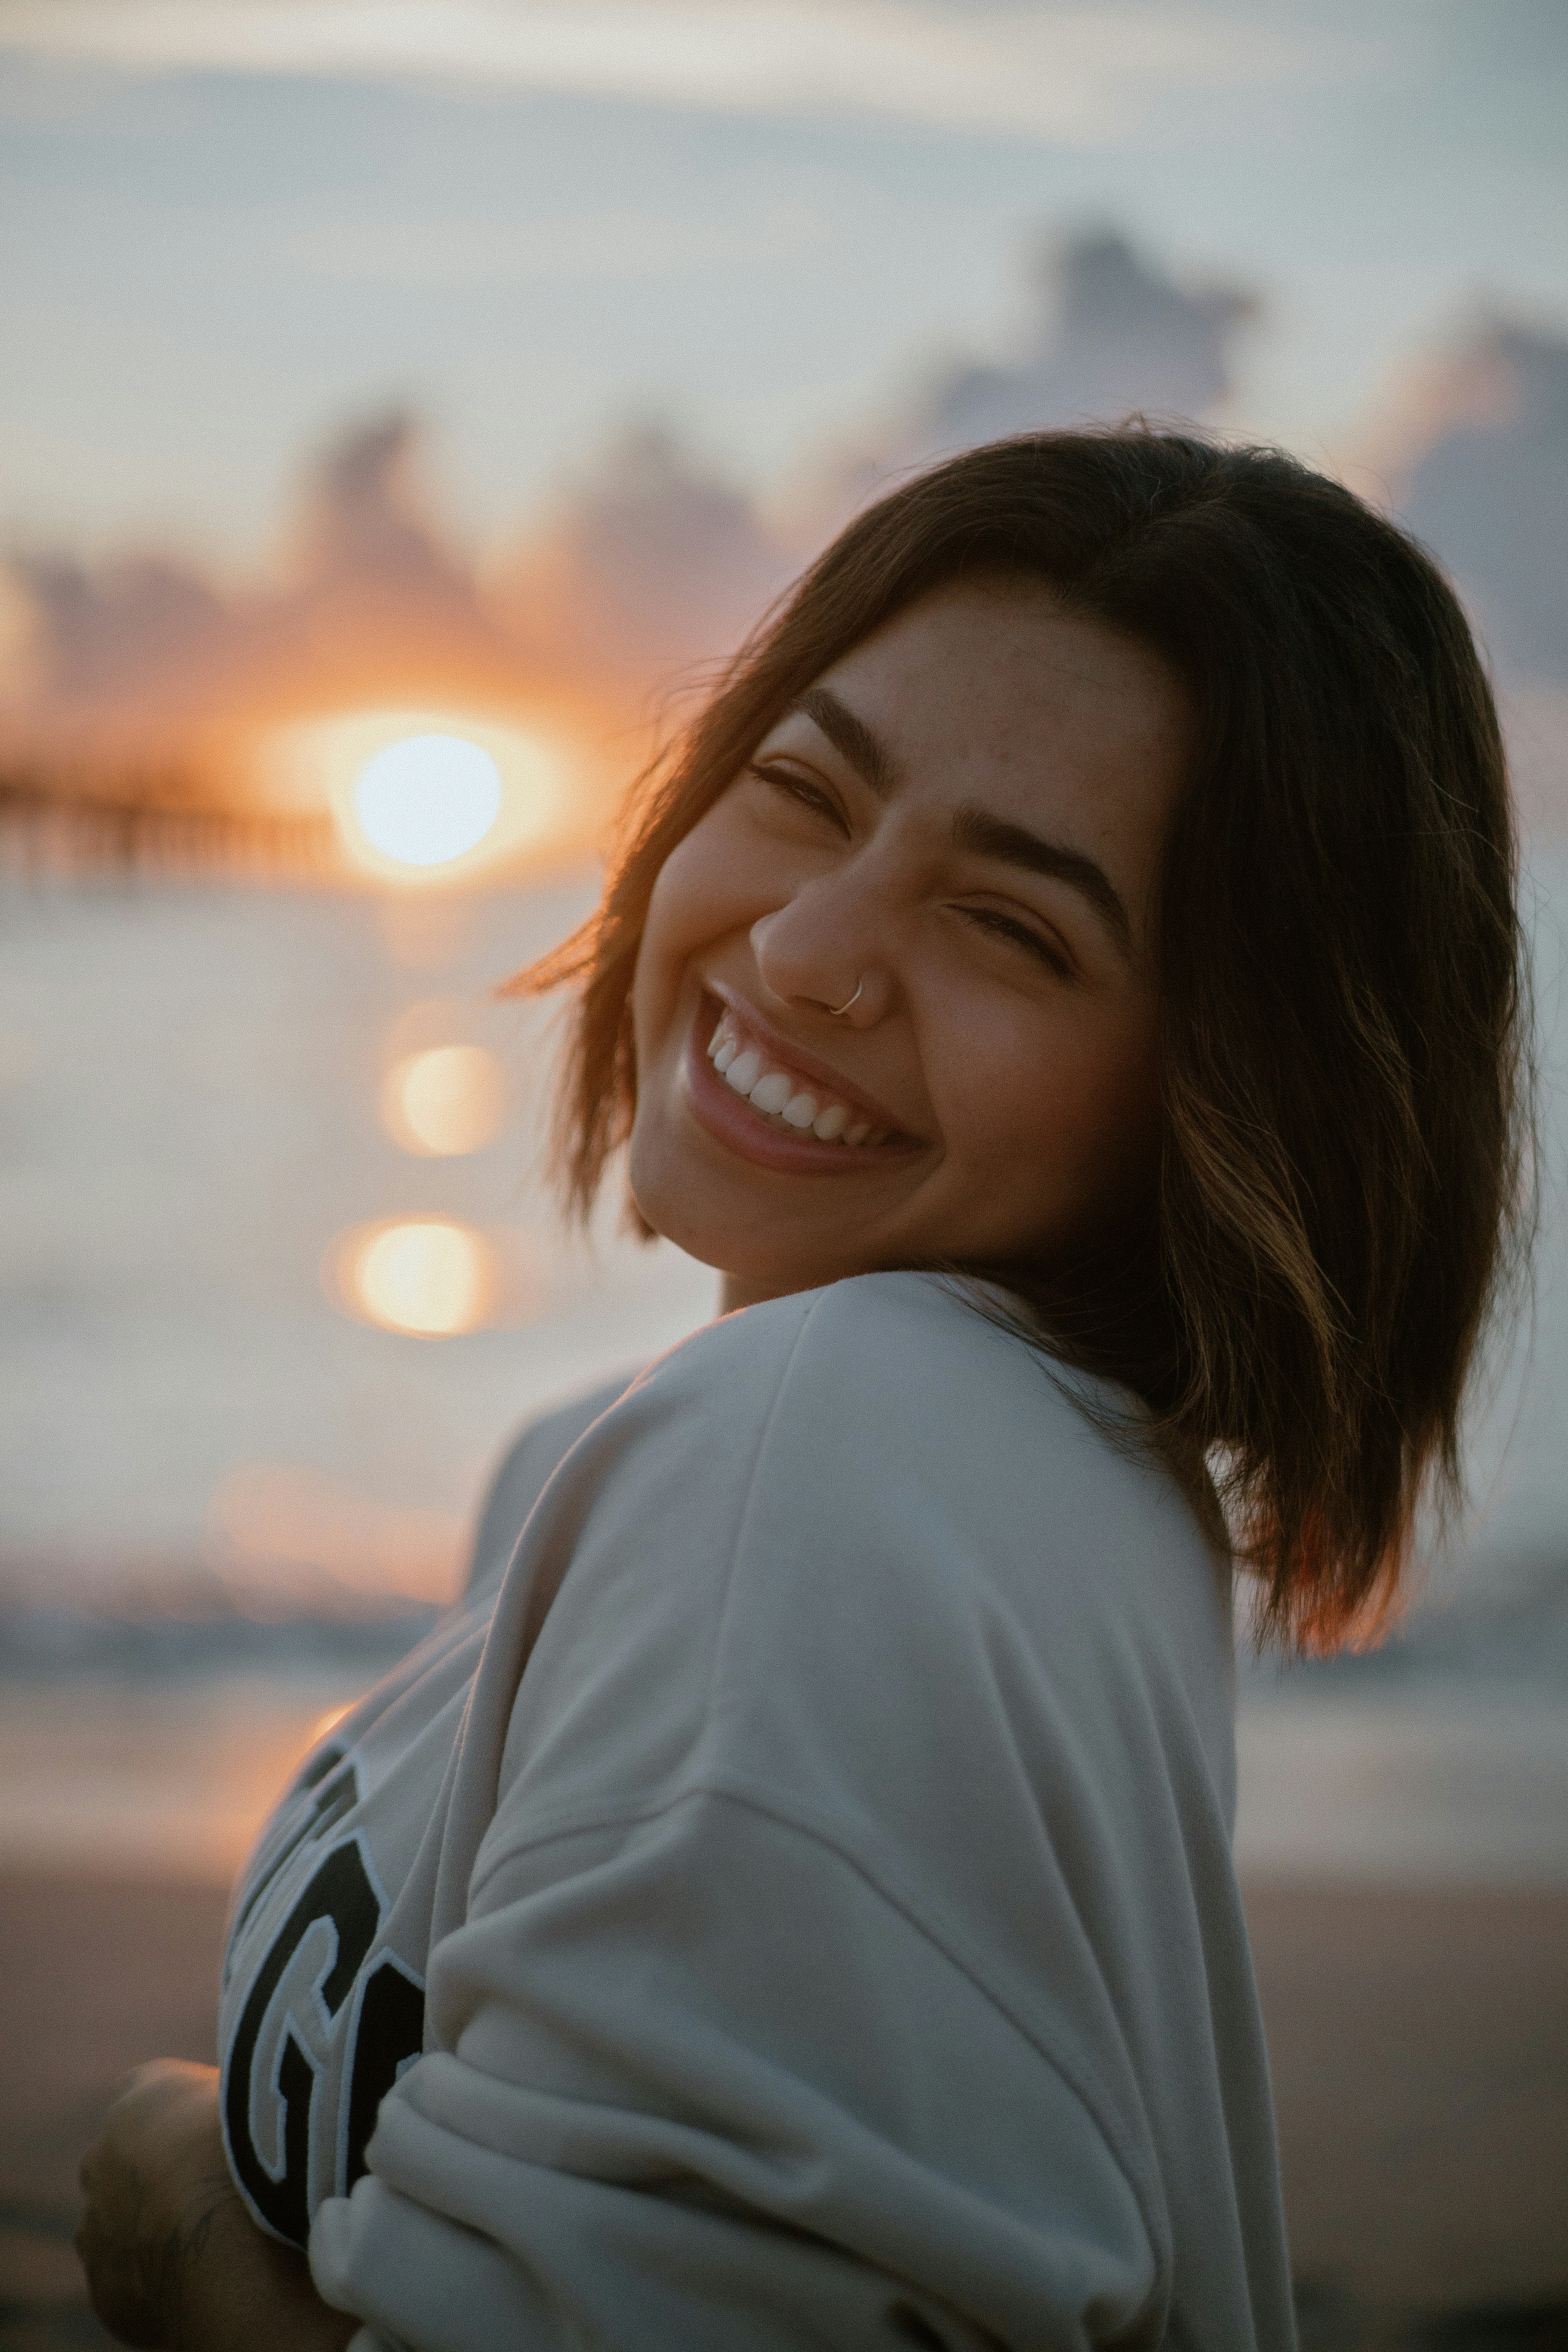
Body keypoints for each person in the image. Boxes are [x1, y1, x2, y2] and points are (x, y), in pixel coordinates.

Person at [76, 429, 1526, 2351]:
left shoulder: (838, 1465)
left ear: (1234, 1094)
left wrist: (174, 2213)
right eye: (803, 790)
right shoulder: (970, 1475)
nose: (811, 949)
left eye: (1012, 925)